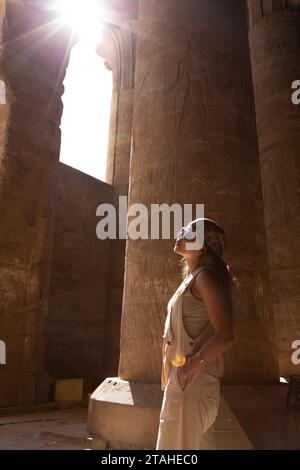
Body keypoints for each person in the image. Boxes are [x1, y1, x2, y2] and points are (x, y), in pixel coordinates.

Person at [155, 217, 235, 450]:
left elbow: (225, 334)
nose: (179, 234)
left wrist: (188, 369)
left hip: (192, 380)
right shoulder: (193, 277)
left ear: (202, 244)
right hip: (185, 380)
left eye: (187, 231)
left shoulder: (205, 277)